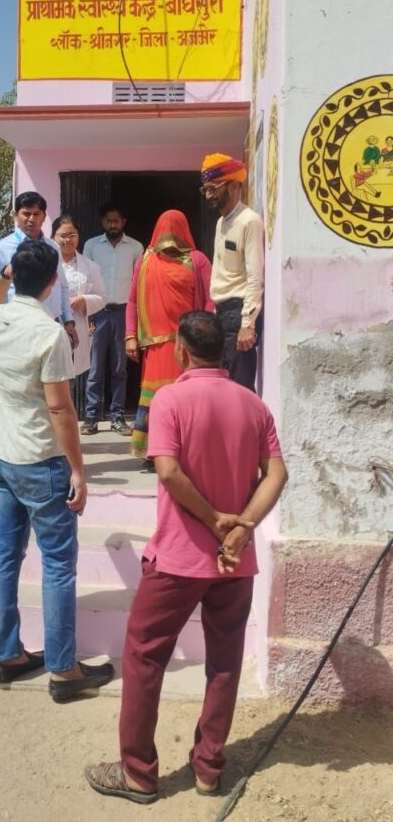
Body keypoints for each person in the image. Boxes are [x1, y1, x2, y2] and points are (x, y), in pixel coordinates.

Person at [85, 311, 287, 804]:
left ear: (180, 349)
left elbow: (169, 472)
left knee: (144, 656)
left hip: (177, 559)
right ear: (223, 351)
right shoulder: (253, 404)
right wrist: (241, 527)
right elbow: (277, 474)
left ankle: (138, 772)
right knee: (224, 663)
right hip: (233, 562)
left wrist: (216, 520)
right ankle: (209, 769)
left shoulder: (169, 399)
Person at [0, 241, 114, 701]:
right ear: (54, 282)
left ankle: (9, 654)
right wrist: (79, 470)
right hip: (41, 460)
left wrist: (7, 274)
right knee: (57, 565)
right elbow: (60, 409)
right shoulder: (49, 333)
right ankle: (63, 670)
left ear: (12, 275)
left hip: (2, 455)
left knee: (4, 556)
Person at [125, 209, 213, 464]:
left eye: (175, 228)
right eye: (164, 228)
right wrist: (130, 336)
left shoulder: (197, 260)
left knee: (186, 399)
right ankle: (155, 452)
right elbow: (132, 302)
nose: (169, 234)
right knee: (158, 400)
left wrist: (204, 335)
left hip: (189, 345)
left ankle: (186, 452)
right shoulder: (145, 261)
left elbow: (210, 299)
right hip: (156, 347)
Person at [200, 153, 265, 391]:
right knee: (223, 387)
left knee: (240, 388)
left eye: (213, 188)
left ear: (234, 186)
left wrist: (247, 323)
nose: (209, 195)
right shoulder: (221, 223)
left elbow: (255, 276)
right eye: (205, 190)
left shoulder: (249, 221)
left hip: (239, 315)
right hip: (221, 315)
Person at [0, 191, 78, 350]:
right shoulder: (1, 249)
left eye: (36, 214)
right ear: (16, 216)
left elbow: (62, 286)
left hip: (51, 327)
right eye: (26, 214)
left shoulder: (53, 248)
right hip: (17, 329)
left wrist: (68, 322)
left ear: (44, 216)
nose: (31, 219)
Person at [82, 202, 143, 435]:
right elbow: (85, 280)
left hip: (124, 313)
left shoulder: (136, 247)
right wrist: (87, 314)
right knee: (95, 368)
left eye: (116, 220)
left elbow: (139, 285)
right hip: (97, 312)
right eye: (108, 220)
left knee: (120, 369)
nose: (112, 224)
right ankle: (91, 418)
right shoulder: (91, 246)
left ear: (123, 222)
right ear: (102, 222)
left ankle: (117, 417)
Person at [51, 214, 107, 377]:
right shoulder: (45, 262)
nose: (68, 240)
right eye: (63, 235)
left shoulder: (90, 267)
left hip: (76, 325)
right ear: (53, 236)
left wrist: (84, 300)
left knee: (69, 374)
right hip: (50, 324)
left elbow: (102, 297)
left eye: (72, 235)